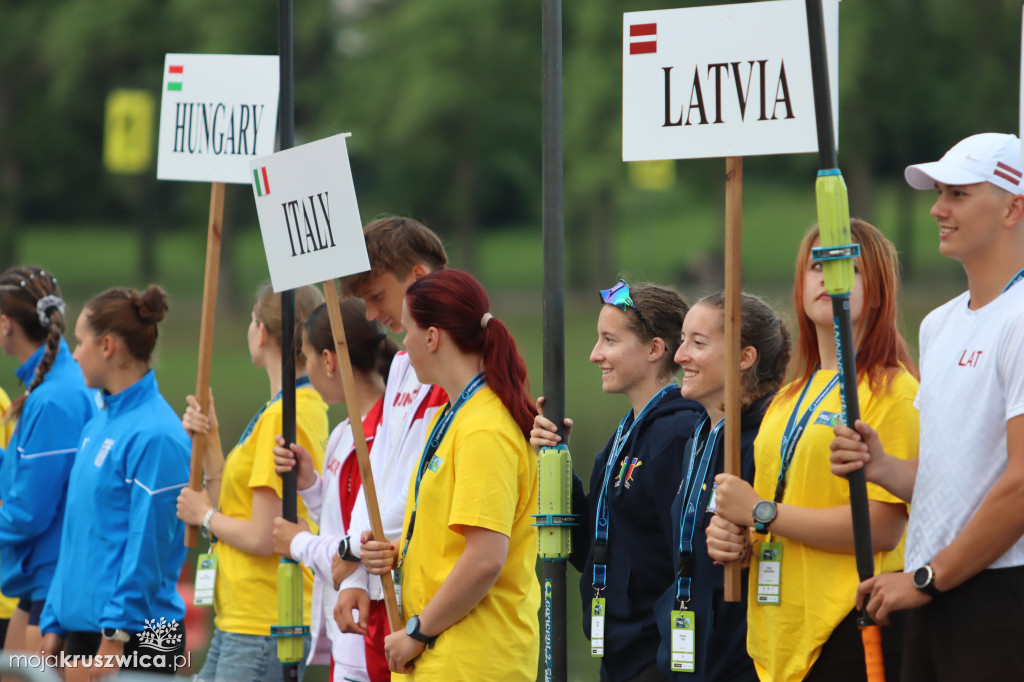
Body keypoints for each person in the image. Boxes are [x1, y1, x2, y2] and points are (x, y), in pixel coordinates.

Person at [830, 133, 1024, 680]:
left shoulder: (1020, 320)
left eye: (958, 194)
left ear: (1013, 207)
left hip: (999, 590)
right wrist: (884, 468)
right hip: (936, 593)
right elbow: (958, 479)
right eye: (939, 193)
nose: (938, 208)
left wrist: (925, 578)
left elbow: (1021, 485)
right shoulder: (938, 324)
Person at [709, 219, 920, 682]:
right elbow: (767, 512)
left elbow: (884, 528)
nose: (828, 275)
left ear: (879, 291)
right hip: (776, 634)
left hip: (852, 623)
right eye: (816, 264)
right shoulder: (787, 398)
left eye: (849, 267)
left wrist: (762, 513)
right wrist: (737, 539)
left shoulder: (893, 392)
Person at [359, 269, 540, 680]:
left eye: (407, 330)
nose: (402, 343)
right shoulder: (451, 416)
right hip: (443, 658)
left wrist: (418, 632)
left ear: (433, 337)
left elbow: (484, 560)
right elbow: (451, 537)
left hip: (475, 659)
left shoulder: (484, 428)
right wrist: (398, 549)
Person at [531, 279, 702, 682]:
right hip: (619, 654)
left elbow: (687, 563)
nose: (595, 355)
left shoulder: (679, 435)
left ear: (655, 349)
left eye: (609, 340)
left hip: (656, 660)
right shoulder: (621, 441)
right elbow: (591, 550)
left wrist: (666, 659)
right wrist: (556, 461)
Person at [177, 284, 328, 682]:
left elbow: (265, 536)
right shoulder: (282, 409)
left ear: (261, 332)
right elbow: (239, 503)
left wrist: (203, 516)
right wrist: (210, 439)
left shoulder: (287, 414)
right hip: (242, 618)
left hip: (263, 621)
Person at [39, 285, 190, 678]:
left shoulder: (157, 435)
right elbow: (78, 530)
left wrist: (115, 636)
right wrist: (55, 618)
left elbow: (148, 547)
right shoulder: (98, 421)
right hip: (86, 627)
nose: (73, 354)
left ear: (107, 346)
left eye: (79, 342)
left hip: (137, 635)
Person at [333, 216, 449, 682]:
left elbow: (427, 487)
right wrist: (357, 574)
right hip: (380, 585)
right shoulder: (403, 363)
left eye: (376, 296)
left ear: (418, 279)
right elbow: (377, 473)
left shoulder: (463, 365)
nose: (369, 314)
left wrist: (351, 551)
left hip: (428, 602)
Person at [653, 292, 790, 681]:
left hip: (739, 660)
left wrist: (750, 541)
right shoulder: (699, 432)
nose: (680, 356)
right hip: (687, 652)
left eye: (698, 343)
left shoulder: (766, 438)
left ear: (745, 358)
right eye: (682, 341)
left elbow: (783, 542)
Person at [272, 298, 399, 681]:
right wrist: (311, 486)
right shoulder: (345, 432)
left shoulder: (382, 436)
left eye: (308, 357)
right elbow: (341, 522)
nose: (306, 370)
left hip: (372, 637)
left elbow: (357, 548)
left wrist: (298, 543)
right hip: (344, 638)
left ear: (329, 360)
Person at [0, 266, 96, 656]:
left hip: (58, 573)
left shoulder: (53, 397)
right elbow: (33, 473)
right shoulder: (56, 382)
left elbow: (30, 512)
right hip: (46, 571)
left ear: (6, 324)